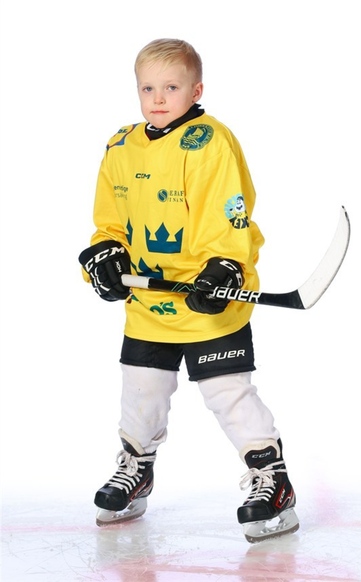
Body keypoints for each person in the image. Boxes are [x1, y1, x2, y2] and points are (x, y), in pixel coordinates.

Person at [79, 38, 299, 542]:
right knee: (141, 393)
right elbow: (109, 220)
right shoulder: (121, 145)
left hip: (209, 301)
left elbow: (232, 213)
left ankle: (273, 480)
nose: (158, 98)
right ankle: (136, 469)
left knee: (228, 393)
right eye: (148, 88)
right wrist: (105, 254)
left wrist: (224, 267)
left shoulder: (210, 141)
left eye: (171, 87)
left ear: (196, 90)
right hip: (149, 303)